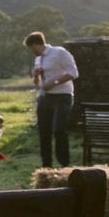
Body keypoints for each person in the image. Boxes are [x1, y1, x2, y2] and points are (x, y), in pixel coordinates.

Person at [24, 32, 79, 168]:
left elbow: (73, 73)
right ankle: (46, 166)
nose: (30, 52)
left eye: (30, 48)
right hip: (45, 97)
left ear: (35, 45)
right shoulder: (38, 60)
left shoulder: (59, 52)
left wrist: (54, 82)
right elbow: (38, 83)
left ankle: (64, 165)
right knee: (43, 131)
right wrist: (36, 77)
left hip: (62, 96)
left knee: (59, 130)